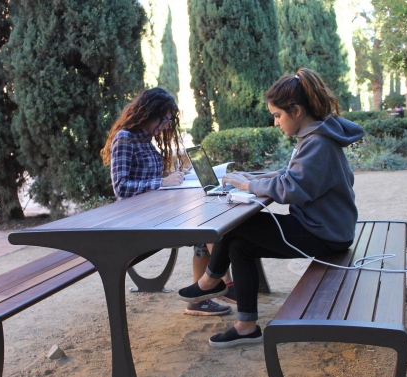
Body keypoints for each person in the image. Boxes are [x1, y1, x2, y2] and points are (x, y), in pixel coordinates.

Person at [177, 68, 365, 347]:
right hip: (324, 228)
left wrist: (248, 186)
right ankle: (246, 326)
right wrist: (251, 178)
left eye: (278, 115)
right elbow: (291, 174)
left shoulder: (318, 143)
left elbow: (290, 188)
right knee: (241, 245)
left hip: (324, 235)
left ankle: (211, 281)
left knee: (237, 226)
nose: (276, 122)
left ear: (297, 111)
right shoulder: (315, 137)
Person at [101, 87, 233, 316]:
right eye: (164, 119)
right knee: (206, 228)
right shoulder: (125, 138)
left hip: (156, 210)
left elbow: (147, 179)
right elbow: (121, 188)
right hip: (138, 217)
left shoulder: (146, 139)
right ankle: (226, 285)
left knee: (208, 223)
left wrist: (173, 179)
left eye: (168, 121)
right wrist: (162, 183)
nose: (165, 126)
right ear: (148, 113)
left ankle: (202, 296)